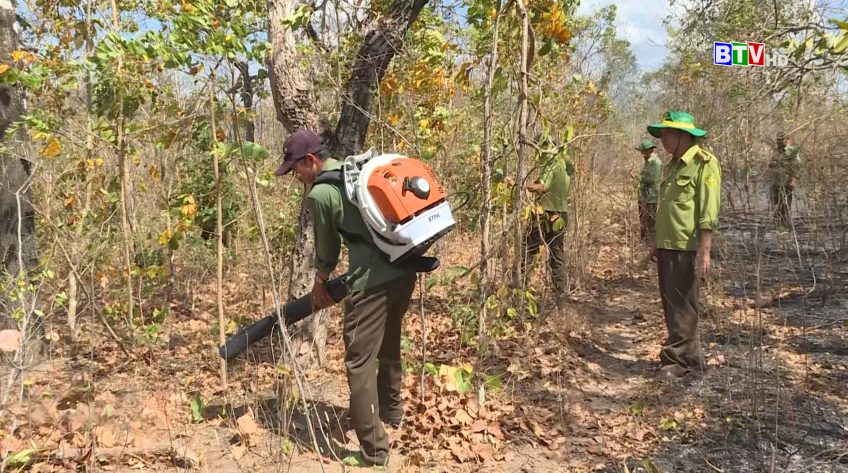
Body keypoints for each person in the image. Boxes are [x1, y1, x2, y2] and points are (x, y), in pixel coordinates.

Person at [275, 129, 416, 467]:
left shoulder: (322, 193)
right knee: (389, 342)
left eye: (296, 169)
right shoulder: (357, 169)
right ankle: (391, 412)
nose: (296, 178)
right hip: (404, 269)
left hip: (369, 282)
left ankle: (374, 451)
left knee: (358, 362)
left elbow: (327, 249)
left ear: (311, 161)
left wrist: (320, 283)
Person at [643, 111, 721, 380]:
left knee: (683, 305)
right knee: (673, 304)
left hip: (686, 245)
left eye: (667, 135)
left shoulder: (704, 163)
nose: (663, 141)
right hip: (668, 243)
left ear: (683, 136)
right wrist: (656, 243)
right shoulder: (674, 165)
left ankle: (677, 362)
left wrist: (705, 248)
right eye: (662, 135)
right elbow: (668, 209)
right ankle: (692, 358)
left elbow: (708, 208)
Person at [524, 137, 573, 309]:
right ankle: (562, 296)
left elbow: (543, 187)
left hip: (546, 214)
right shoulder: (566, 164)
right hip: (562, 213)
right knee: (557, 255)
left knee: (529, 249)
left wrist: (524, 185)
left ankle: (521, 290)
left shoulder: (551, 163)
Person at [768, 131, 801, 228]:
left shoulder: (792, 151)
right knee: (775, 203)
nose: (778, 141)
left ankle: (785, 225)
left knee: (785, 204)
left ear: (787, 140)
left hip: (786, 183)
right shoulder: (776, 151)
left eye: (781, 139)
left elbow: (797, 166)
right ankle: (777, 225)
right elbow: (772, 164)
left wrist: (794, 180)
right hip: (775, 182)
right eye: (777, 139)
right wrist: (771, 164)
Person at [636, 139, 662, 243]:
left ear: (649, 150)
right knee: (643, 220)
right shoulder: (648, 162)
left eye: (643, 151)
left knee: (650, 221)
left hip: (650, 197)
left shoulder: (656, 163)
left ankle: (650, 243)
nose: (642, 154)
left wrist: (638, 178)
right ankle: (644, 241)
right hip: (644, 196)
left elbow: (652, 179)